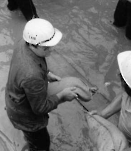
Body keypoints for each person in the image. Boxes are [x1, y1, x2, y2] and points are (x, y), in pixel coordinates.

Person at [5, 18, 79, 151]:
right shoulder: (32, 76)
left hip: (14, 99)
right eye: (46, 48)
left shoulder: (23, 43)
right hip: (26, 117)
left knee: (33, 141)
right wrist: (62, 95)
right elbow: (40, 108)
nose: (52, 50)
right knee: (42, 144)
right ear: (33, 45)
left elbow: (31, 67)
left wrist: (46, 73)